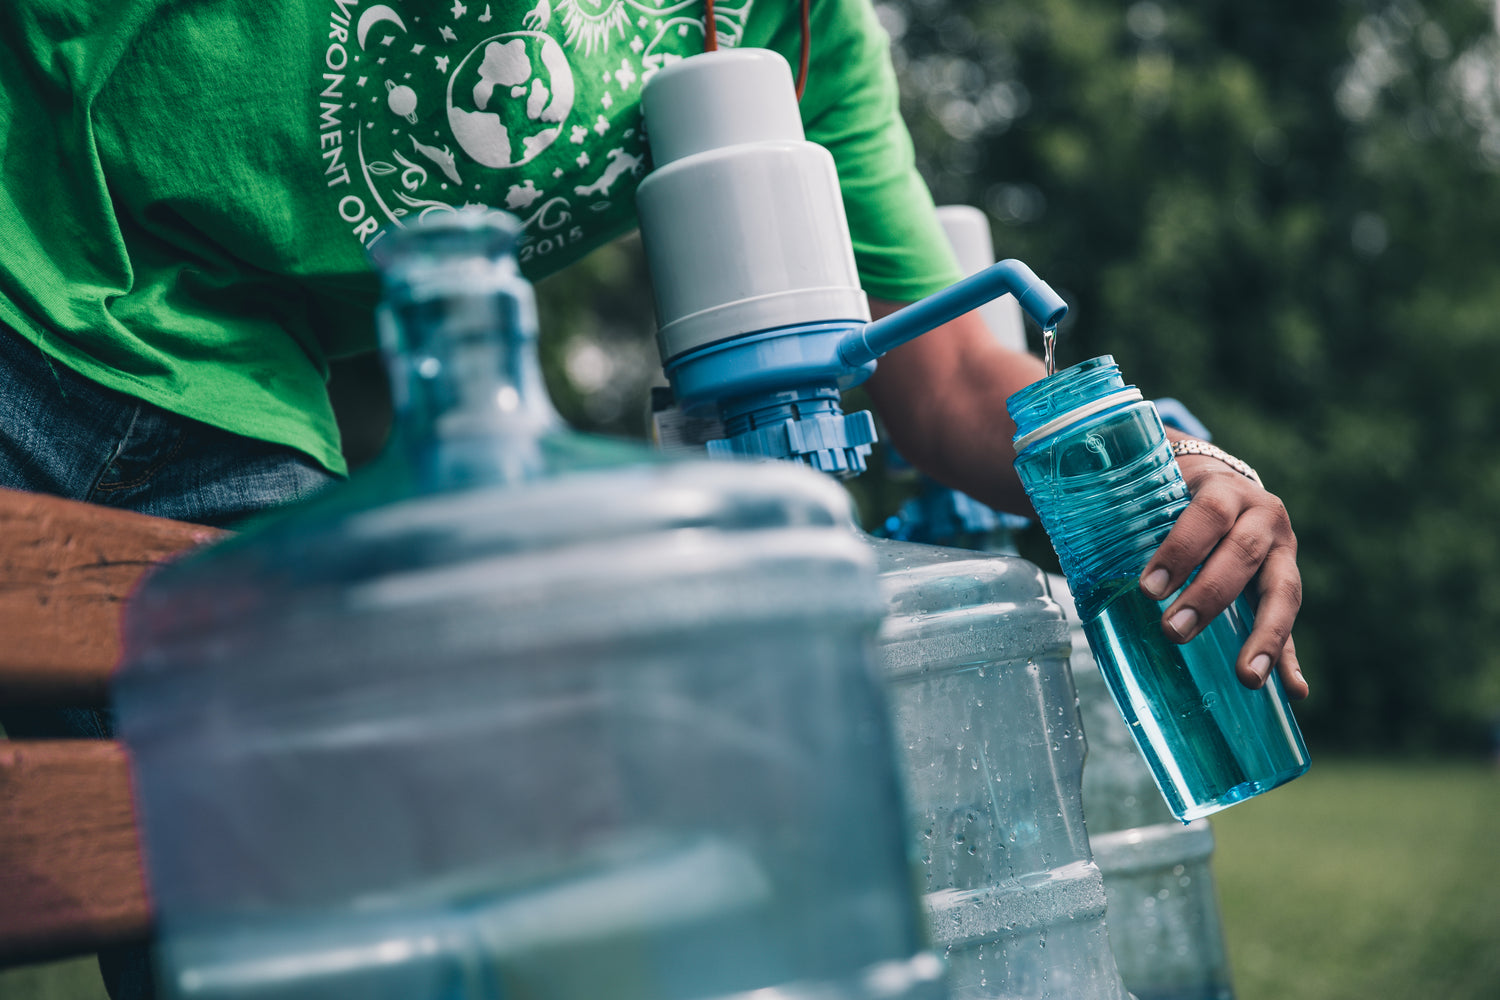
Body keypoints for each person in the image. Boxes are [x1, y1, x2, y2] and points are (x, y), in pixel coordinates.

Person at [0, 0, 1303, 991]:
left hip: (229, 396)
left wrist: (1156, 462)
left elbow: (944, 357)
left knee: (327, 935)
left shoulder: (794, 32)